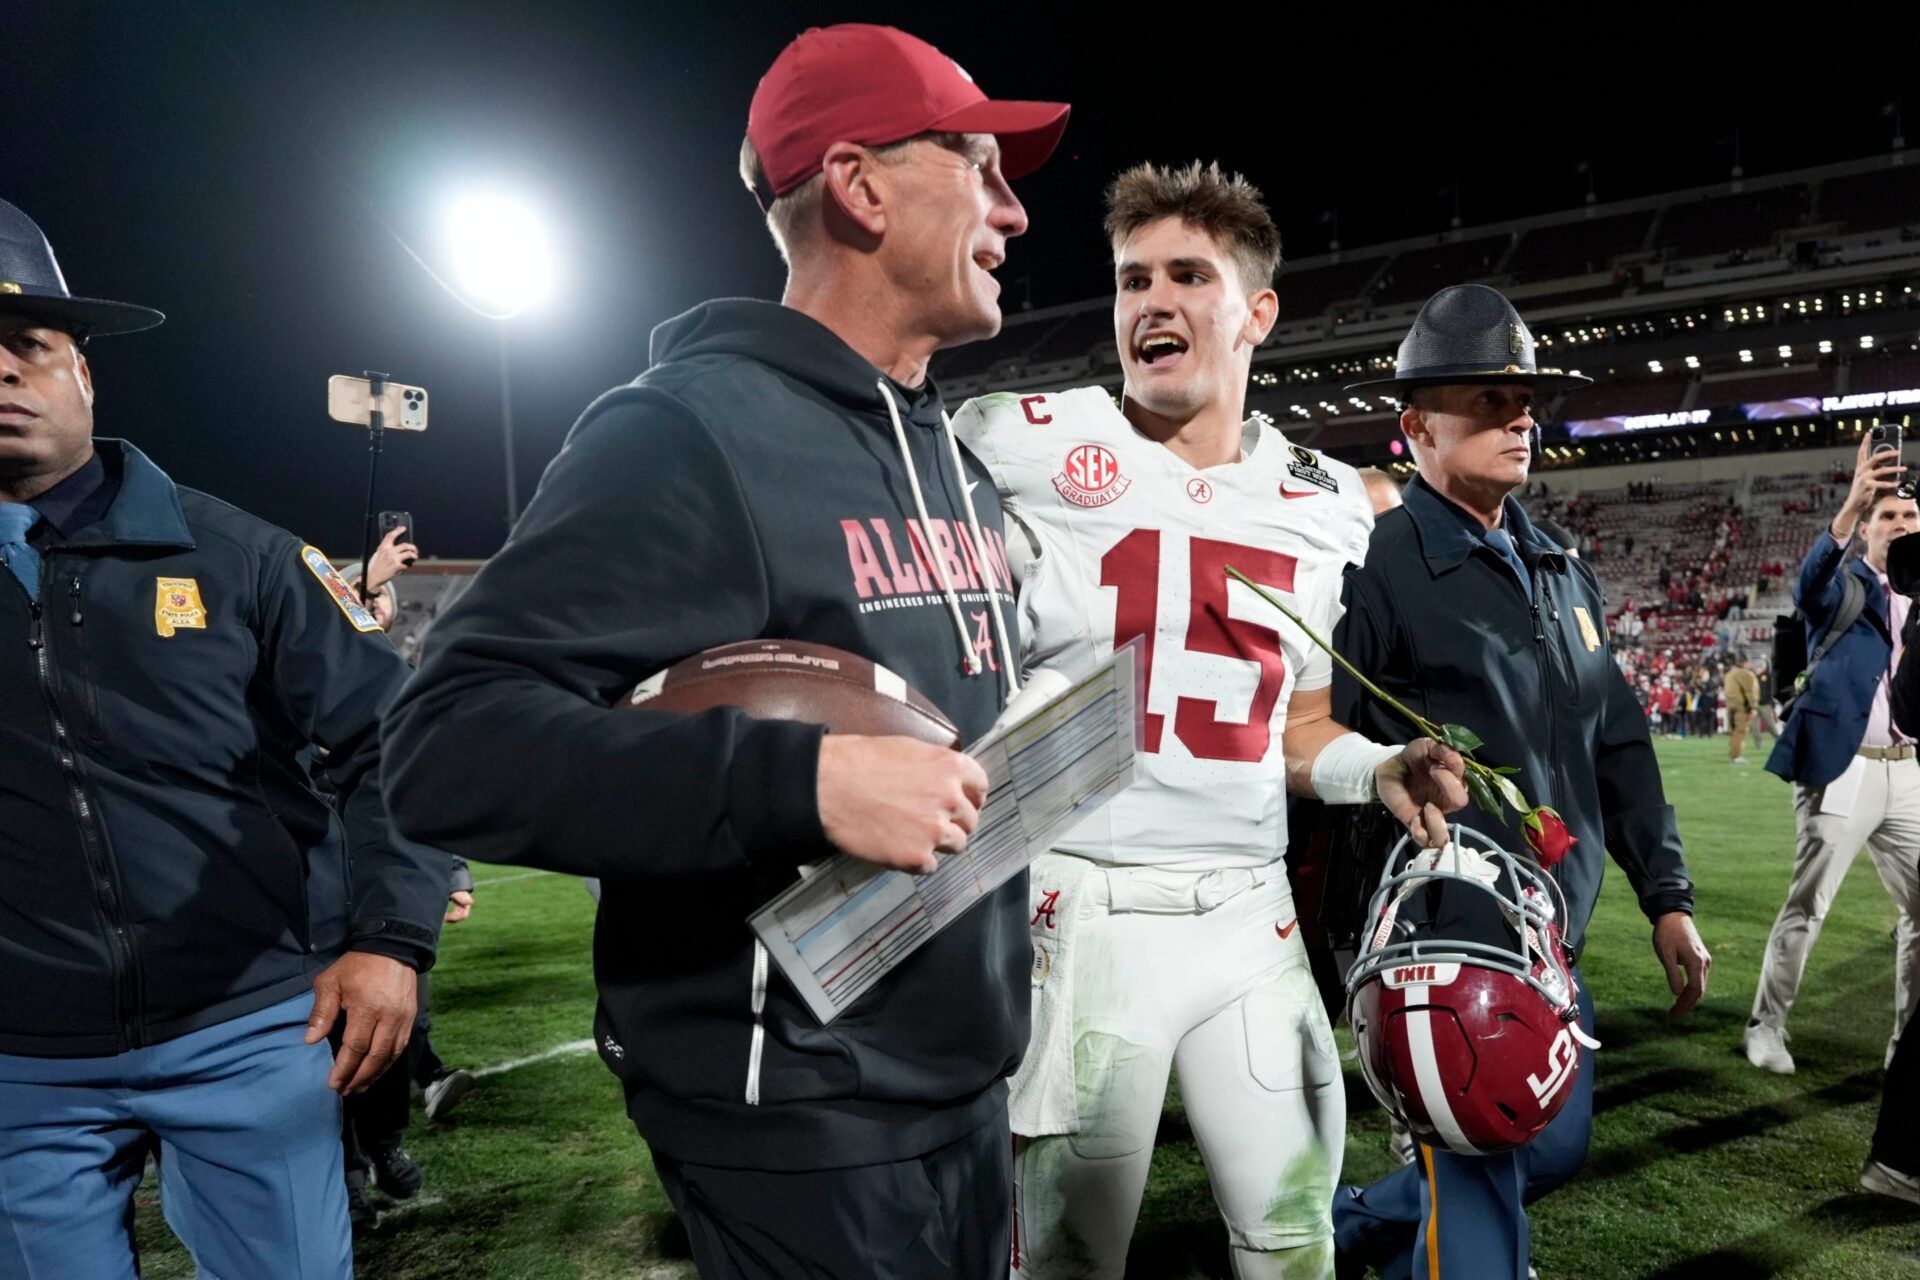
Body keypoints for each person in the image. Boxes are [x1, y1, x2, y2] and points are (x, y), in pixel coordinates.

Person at [382, 25, 1069, 1279]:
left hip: (962, 1077)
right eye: (979, 164)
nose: (1014, 210)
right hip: (794, 1108)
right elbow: (445, 743)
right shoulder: (686, 432)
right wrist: (800, 781)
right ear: (860, 187)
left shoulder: (950, 456)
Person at [953, 161, 1466, 1280]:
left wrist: (1374, 764)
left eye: (1190, 274)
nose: (1153, 301)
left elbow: (1299, 722)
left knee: (1294, 1239)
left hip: (1248, 914)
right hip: (1080, 909)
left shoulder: (1322, 499)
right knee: (1065, 1260)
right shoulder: (1016, 441)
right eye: (1134, 278)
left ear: (1256, 311)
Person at [0, 197, 447, 1279]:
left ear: (86, 372)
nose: (2, 373)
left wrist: (390, 937)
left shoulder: (237, 554)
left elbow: (398, 743)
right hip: (19, 1058)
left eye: (28, 345)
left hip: (251, 1026)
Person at [1327, 284, 1709, 1280]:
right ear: (1415, 427)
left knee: (1546, 1137)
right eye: (1488, 399)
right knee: (1486, 1150)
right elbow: (1321, 744)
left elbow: (1618, 740)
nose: (1519, 417)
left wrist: (1666, 897)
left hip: (1550, 921)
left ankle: (1357, 1225)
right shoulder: (1367, 561)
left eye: (1524, 399)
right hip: (1442, 926)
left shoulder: (1561, 565)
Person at [1747, 439, 1920, 1075]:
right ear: (1868, 531)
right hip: (1844, 765)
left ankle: (1906, 1046)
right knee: (1810, 903)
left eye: (1910, 518)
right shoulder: (1842, 587)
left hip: (1910, 769)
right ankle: (1766, 1027)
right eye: (1888, 518)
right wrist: (1850, 505)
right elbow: (1807, 582)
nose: (1901, 526)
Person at [1725, 654, 1761, 764]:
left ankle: (1733, 754)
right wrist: (1754, 707)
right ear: (1745, 662)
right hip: (1740, 706)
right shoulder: (1745, 674)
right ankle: (1736, 756)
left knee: (1734, 731)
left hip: (1730, 705)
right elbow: (1750, 691)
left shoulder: (1729, 673)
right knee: (1741, 730)